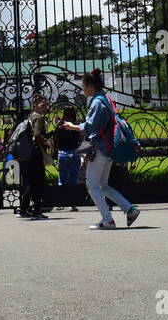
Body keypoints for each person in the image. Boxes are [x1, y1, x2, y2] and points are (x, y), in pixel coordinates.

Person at [58, 69, 140, 229]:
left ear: (90, 86)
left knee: (92, 186)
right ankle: (129, 208)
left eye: (84, 85)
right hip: (109, 147)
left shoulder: (97, 102)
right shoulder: (106, 98)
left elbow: (90, 127)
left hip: (100, 148)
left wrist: (72, 126)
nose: (83, 89)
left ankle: (107, 220)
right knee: (103, 185)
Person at [11, 96, 50, 219]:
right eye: (43, 105)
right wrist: (47, 142)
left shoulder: (30, 117)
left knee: (29, 182)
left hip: (28, 154)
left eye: (46, 105)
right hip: (35, 154)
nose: (45, 107)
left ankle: (23, 209)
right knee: (37, 182)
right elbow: (37, 135)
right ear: (35, 106)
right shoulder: (38, 117)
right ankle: (35, 210)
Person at [54, 105, 83, 212]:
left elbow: (56, 138)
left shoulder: (60, 124)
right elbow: (81, 138)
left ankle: (61, 202)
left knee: (61, 179)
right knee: (73, 179)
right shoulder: (76, 124)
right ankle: (72, 203)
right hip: (74, 152)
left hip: (62, 152)